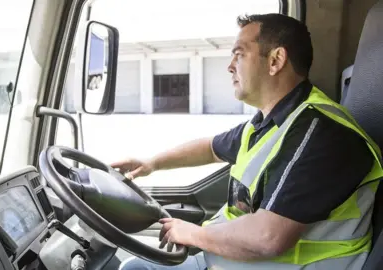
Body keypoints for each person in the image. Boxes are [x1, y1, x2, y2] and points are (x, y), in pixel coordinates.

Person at [112, 13, 383, 269]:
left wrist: (192, 234)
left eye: (239, 55)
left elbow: (268, 238)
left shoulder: (321, 133)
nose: (230, 67)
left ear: (276, 60)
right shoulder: (269, 123)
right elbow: (210, 148)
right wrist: (151, 163)